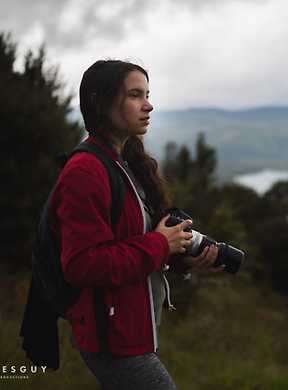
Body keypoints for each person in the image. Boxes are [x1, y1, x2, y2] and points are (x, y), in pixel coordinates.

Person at [50, 59, 222, 389]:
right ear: (101, 103)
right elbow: (82, 264)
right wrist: (160, 245)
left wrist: (181, 256)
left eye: (147, 94)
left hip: (132, 329)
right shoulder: (86, 170)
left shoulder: (124, 164)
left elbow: (131, 240)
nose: (149, 104)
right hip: (111, 337)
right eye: (135, 95)